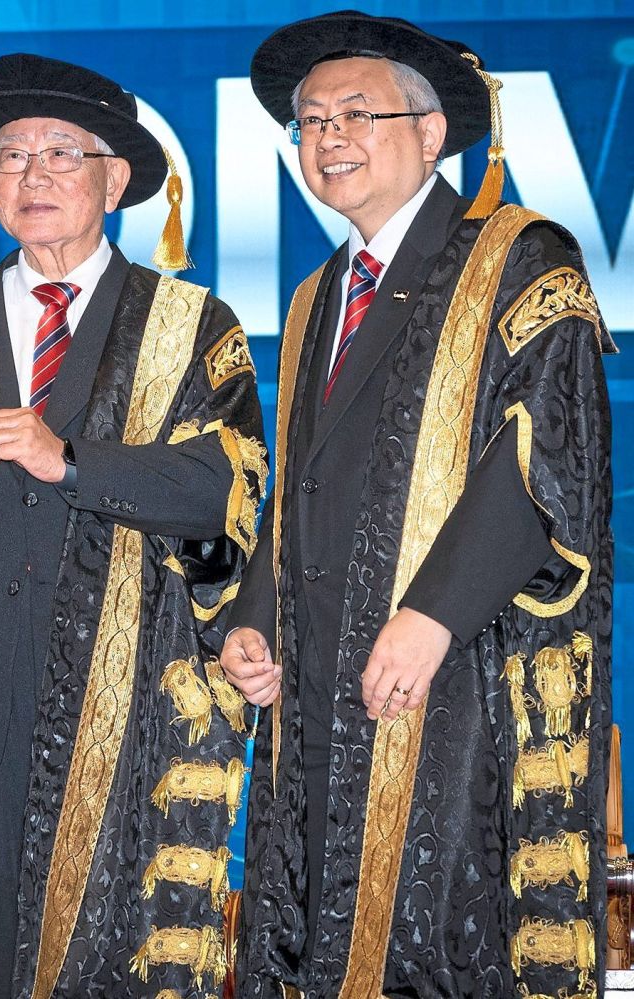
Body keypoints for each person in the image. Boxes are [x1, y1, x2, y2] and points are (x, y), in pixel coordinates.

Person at [0, 52, 265, 999]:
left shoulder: (191, 324)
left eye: (63, 155)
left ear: (116, 180)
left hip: (127, 688)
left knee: (105, 942)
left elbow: (224, 485)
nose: (33, 177)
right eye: (12, 156)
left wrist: (68, 458)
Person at [223, 12, 615, 998]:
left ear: (432, 132)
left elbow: (546, 456)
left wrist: (433, 613)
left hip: (453, 673)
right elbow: (300, 485)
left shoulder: (519, 258)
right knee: (315, 922)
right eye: (309, 122)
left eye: (357, 113)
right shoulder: (320, 292)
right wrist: (255, 620)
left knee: (433, 933)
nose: (328, 139)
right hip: (319, 677)